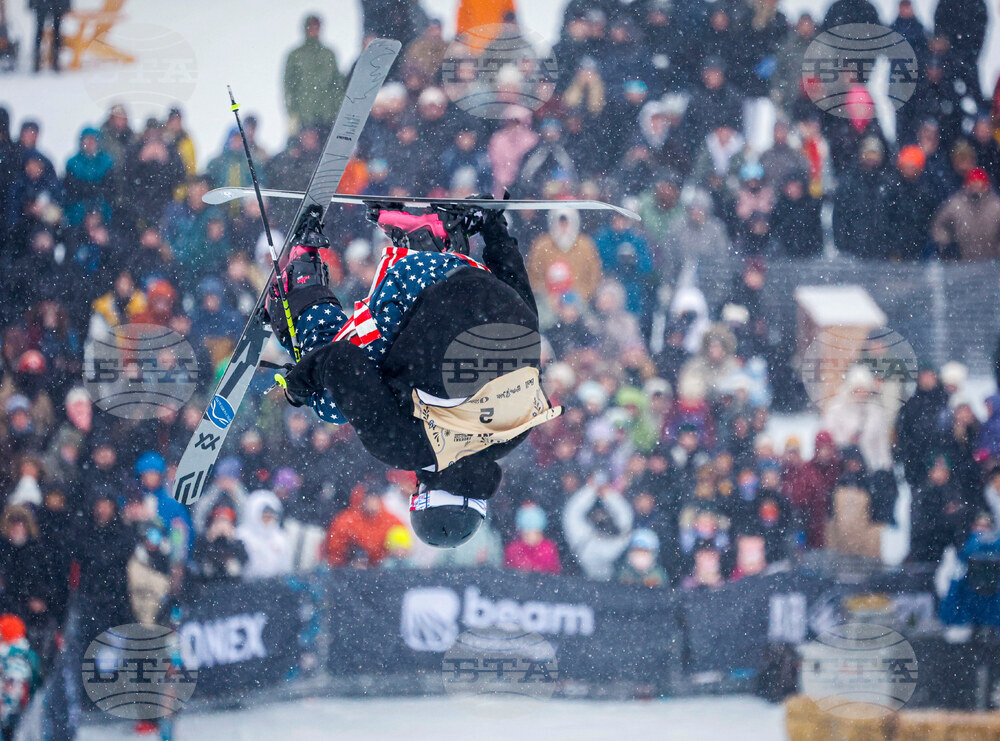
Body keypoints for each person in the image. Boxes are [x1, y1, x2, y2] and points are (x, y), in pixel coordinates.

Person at [271, 200, 562, 549]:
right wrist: (298, 388)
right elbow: (339, 360)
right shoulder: (407, 448)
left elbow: (525, 330)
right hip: (419, 281)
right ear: (423, 494)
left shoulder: (515, 434)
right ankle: (301, 278)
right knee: (331, 402)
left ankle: (435, 240)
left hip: (477, 277)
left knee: (420, 358)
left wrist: (495, 232)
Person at [283, 15, 345, 135]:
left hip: (327, 115)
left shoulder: (328, 54)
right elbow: (289, 86)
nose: (313, 29)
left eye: (316, 26)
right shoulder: (296, 56)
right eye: (310, 26)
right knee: (301, 150)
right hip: (304, 116)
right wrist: (292, 113)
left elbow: (337, 84)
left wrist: (337, 109)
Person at [30, 0, 69, 73]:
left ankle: (44, 60)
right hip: (52, 4)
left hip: (45, 4)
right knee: (52, 31)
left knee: (42, 31)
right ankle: (52, 60)